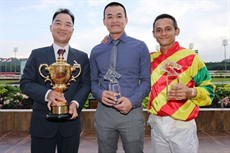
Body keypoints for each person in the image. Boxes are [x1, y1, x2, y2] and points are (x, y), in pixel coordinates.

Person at [20, 8, 90, 153]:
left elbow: (85, 85)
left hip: (71, 124)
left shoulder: (82, 57)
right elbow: (25, 83)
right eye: (58, 23)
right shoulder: (37, 54)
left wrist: (75, 104)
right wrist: (48, 94)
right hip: (42, 124)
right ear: (51, 27)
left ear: (72, 30)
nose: (62, 28)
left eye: (67, 24)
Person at [147, 13, 216, 153]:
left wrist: (191, 92)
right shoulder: (149, 59)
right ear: (153, 34)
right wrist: (109, 42)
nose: (163, 33)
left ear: (176, 31)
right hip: (157, 125)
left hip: (182, 126)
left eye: (168, 29)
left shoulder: (191, 57)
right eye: (158, 30)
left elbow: (209, 90)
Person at [90, 2, 150, 153]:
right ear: (104, 21)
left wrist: (132, 101)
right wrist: (100, 94)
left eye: (119, 16)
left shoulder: (140, 47)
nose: (114, 20)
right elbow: (92, 82)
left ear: (126, 19)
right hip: (105, 113)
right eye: (109, 17)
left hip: (132, 112)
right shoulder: (97, 50)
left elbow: (146, 82)